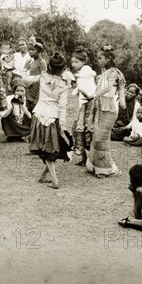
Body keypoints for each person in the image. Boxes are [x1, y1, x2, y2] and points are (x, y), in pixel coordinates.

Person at [22, 52, 71, 189]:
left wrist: (25, 68)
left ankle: (54, 180)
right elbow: (62, 108)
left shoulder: (43, 77)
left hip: (39, 115)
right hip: (52, 118)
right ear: (64, 68)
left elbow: (25, 80)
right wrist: (62, 126)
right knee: (49, 149)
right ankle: (45, 177)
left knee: (46, 150)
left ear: (49, 66)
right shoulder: (63, 86)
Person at [86, 45, 126, 178]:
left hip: (109, 108)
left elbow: (111, 87)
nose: (98, 60)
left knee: (101, 139)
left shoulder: (114, 72)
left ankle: (108, 169)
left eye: (100, 58)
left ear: (108, 59)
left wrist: (122, 102)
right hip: (101, 107)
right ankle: (94, 166)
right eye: (97, 58)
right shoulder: (103, 73)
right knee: (97, 137)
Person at [70, 49, 97, 165]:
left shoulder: (86, 72)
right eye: (72, 62)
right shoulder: (82, 74)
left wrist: (82, 92)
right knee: (80, 127)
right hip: (83, 103)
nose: (73, 64)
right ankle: (85, 158)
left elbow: (90, 90)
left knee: (87, 128)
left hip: (88, 103)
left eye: (76, 62)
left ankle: (90, 158)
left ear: (83, 61)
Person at [22, 39, 47, 113]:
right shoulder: (31, 61)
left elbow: (43, 79)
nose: (30, 52)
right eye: (29, 50)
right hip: (29, 89)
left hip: (37, 91)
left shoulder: (42, 62)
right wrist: (26, 66)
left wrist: (38, 96)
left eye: (33, 50)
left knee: (35, 111)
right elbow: (24, 73)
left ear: (39, 51)